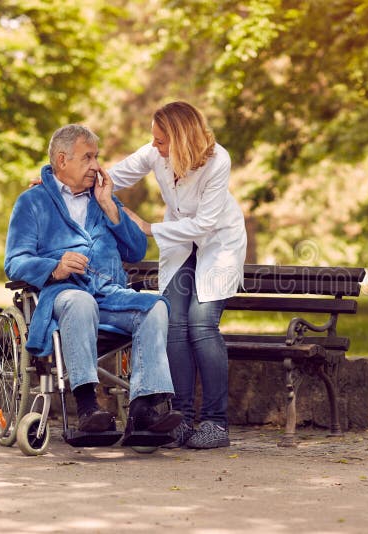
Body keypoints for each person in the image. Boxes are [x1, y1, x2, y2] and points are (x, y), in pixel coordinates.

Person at [4, 124, 181, 444]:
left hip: (110, 293)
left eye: (96, 157)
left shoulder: (103, 198)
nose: (96, 166)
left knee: (154, 306)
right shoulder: (32, 202)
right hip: (64, 293)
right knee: (79, 301)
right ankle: (88, 406)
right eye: (87, 158)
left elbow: (136, 250)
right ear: (61, 160)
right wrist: (54, 267)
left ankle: (144, 408)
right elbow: (15, 261)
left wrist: (110, 205)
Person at [109, 101, 247, 449]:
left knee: (201, 325)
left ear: (182, 138)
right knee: (173, 323)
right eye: (153, 139)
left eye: (161, 140)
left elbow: (205, 223)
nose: (154, 145)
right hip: (181, 244)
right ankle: (183, 419)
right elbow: (113, 177)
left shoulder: (218, 161)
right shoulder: (156, 154)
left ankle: (216, 424)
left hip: (218, 243)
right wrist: (55, 179)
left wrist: (148, 228)